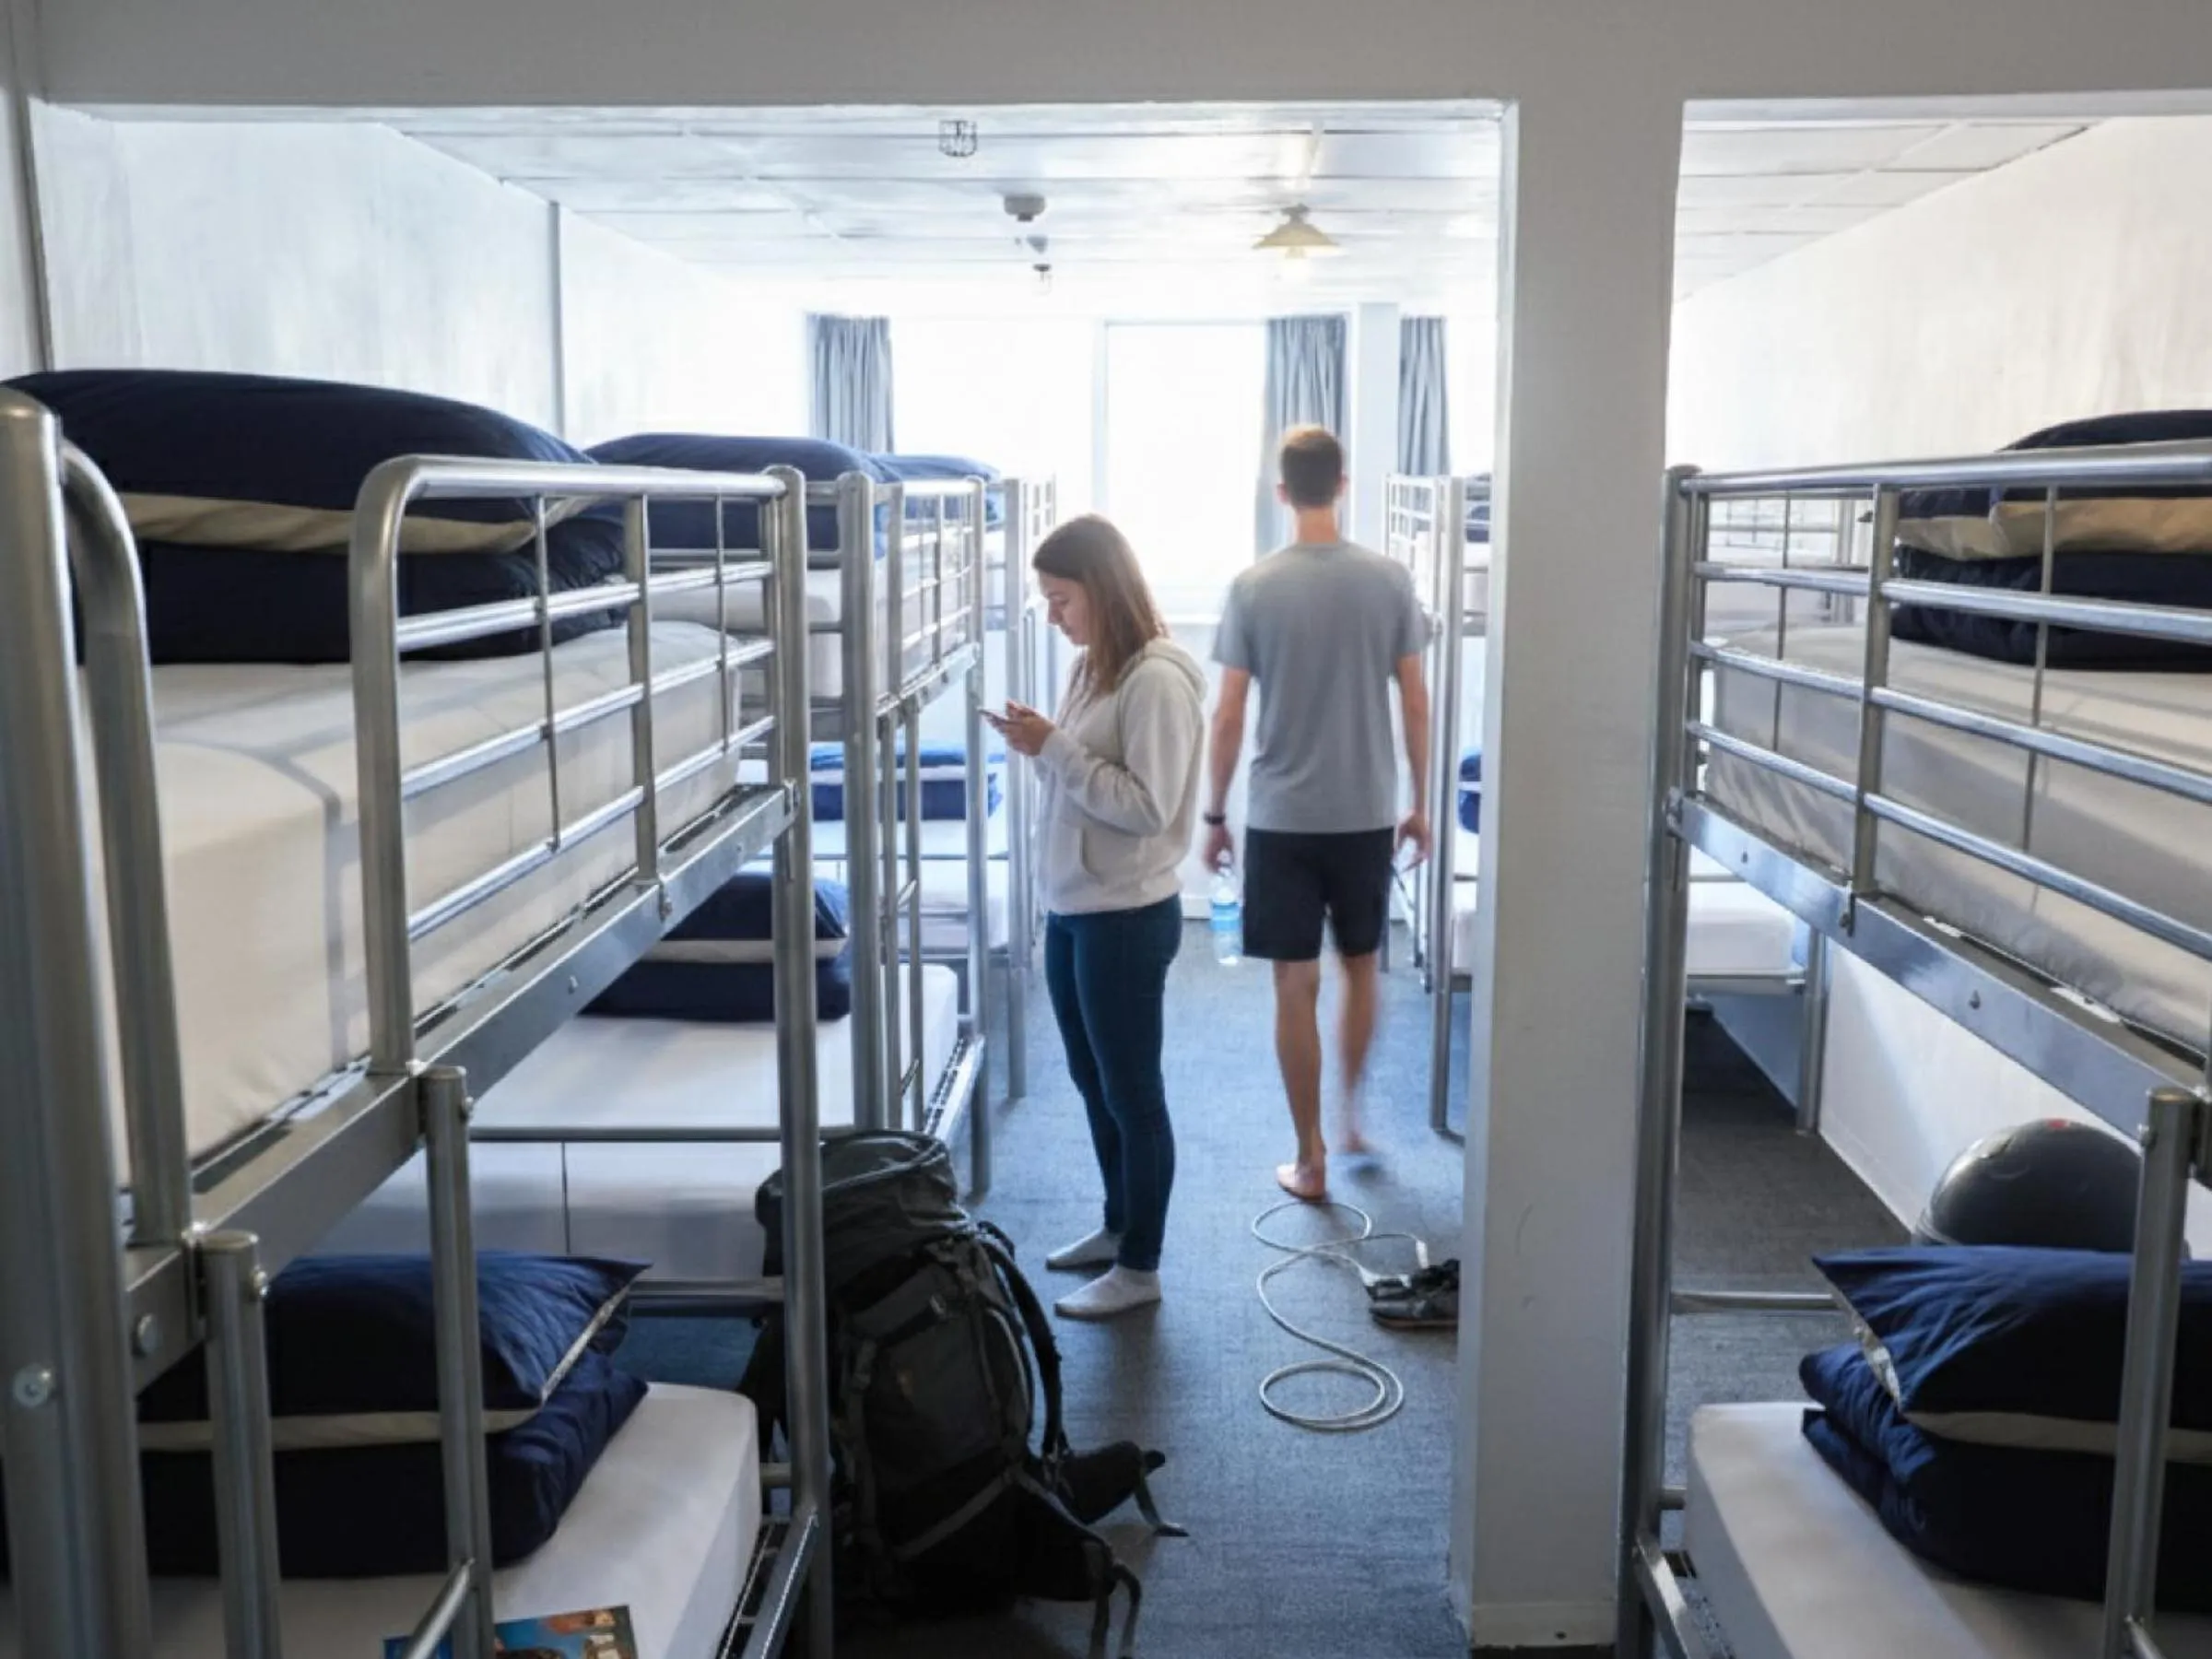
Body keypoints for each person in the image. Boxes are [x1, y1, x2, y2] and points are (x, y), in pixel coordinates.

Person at [1204, 425, 1431, 1202]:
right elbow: (1416, 700)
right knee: (1361, 968)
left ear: (1281, 492)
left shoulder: (1252, 586)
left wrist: (1214, 815)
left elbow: (1228, 715)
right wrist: (1419, 804)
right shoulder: (1390, 580)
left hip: (1282, 816)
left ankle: (1310, 1156)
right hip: (1366, 811)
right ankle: (1352, 1117)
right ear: (1343, 485)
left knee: (1292, 983)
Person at [989, 514, 1206, 1321]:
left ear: (1103, 590)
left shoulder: (1158, 680)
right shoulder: (1091, 668)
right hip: (1074, 907)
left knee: (1132, 1094)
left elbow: (1148, 808)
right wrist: (1039, 743)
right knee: (1093, 1081)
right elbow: (1078, 780)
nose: (1052, 615)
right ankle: (1119, 1226)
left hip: (1125, 916)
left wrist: (1054, 748)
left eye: (1061, 599)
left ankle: (1141, 1266)